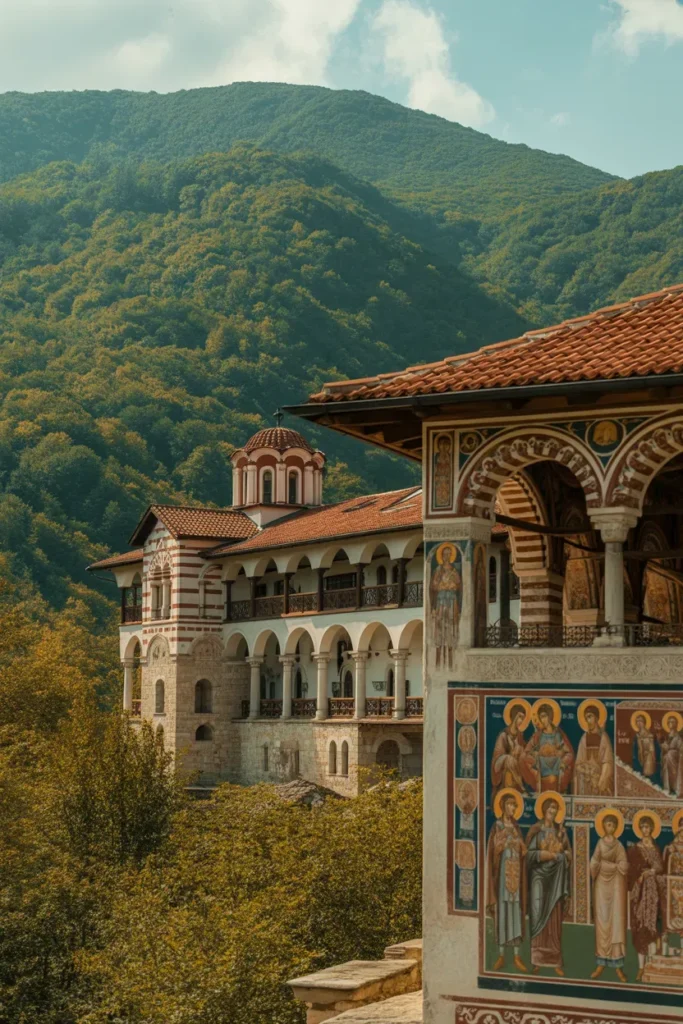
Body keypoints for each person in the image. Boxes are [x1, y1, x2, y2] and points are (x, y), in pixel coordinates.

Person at [526, 795, 572, 975]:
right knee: (538, 915)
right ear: (544, 810)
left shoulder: (561, 832)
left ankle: (555, 961)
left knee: (554, 918)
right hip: (538, 878)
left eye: (555, 808)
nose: (553, 811)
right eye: (550, 808)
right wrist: (544, 855)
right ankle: (537, 960)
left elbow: (568, 854)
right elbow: (529, 855)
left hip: (556, 880)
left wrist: (563, 855)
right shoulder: (536, 830)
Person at [486, 790, 528, 973]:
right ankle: (501, 956)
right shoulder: (497, 826)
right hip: (503, 876)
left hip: (516, 876)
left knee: (515, 912)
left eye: (515, 806)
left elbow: (524, 850)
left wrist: (518, 845)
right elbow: (493, 850)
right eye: (511, 805)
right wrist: (504, 843)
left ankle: (517, 956)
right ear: (503, 806)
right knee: (503, 912)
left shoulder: (516, 828)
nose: (513, 808)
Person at [590, 811, 628, 982]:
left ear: (616, 827)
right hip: (601, 886)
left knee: (616, 922)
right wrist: (601, 865)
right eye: (607, 824)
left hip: (616, 886)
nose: (610, 827)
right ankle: (601, 963)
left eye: (613, 825)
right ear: (603, 826)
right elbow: (594, 862)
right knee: (602, 922)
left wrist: (611, 866)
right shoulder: (600, 843)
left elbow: (624, 865)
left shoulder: (619, 845)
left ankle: (618, 966)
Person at [627, 812, 665, 982]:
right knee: (641, 928)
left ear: (652, 828)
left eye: (648, 827)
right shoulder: (635, 849)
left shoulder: (656, 848)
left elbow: (661, 867)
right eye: (642, 827)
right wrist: (641, 875)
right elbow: (631, 872)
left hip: (656, 894)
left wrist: (652, 872)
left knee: (655, 927)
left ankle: (653, 965)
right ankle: (641, 968)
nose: (645, 830)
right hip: (641, 894)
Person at [522, 703, 574, 794]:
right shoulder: (538, 736)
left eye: (544, 716)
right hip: (541, 766)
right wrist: (536, 756)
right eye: (541, 717)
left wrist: (562, 760)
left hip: (556, 766)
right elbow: (526, 752)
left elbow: (569, 753)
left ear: (550, 716)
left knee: (553, 779)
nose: (543, 720)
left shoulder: (558, 734)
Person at [429, 543, 461, 671]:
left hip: (451, 602)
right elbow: (434, 586)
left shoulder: (454, 571)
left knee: (451, 629)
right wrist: (444, 585)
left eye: (449, 554)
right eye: (444, 554)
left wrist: (449, 585)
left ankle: (451, 662)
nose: (447, 556)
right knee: (440, 629)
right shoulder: (438, 570)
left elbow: (457, 585)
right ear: (441, 556)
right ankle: (438, 663)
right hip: (441, 602)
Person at [574, 704, 614, 796]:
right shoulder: (584, 738)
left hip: (601, 778)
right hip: (587, 778)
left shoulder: (603, 737)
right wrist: (587, 771)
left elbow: (608, 762)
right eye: (586, 718)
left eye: (590, 717)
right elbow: (578, 763)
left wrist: (601, 781)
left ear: (596, 718)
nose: (588, 721)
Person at [491, 703, 529, 796]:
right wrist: (509, 757)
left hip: (517, 769)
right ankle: (522, 789)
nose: (521, 721)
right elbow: (497, 759)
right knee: (509, 760)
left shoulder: (520, 736)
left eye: (523, 718)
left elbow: (524, 755)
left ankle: (521, 788)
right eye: (519, 717)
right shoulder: (503, 735)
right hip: (502, 768)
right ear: (514, 716)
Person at [660, 714, 683, 796]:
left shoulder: (678, 737)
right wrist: (664, 747)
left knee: (674, 774)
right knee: (666, 774)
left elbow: (681, 749)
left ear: (676, 724)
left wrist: (671, 752)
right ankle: (667, 789)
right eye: (669, 722)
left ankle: (675, 789)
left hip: (674, 759)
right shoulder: (667, 736)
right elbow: (664, 749)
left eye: (673, 722)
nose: (671, 723)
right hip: (666, 759)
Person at [633, 713, 656, 778]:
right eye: (637, 721)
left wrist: (653, 759)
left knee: (647, 774)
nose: (639, 723)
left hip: (648, 756)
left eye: (640, 721)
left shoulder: (649, 735)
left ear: (644, 722)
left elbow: (652, 749)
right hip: (639, 757)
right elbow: (636, 748)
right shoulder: (637, 735)